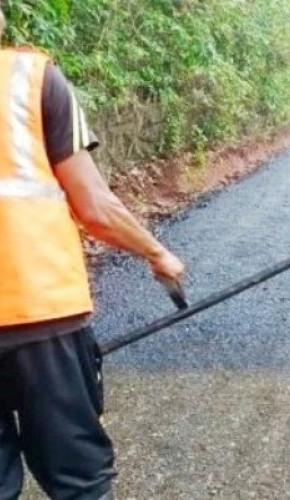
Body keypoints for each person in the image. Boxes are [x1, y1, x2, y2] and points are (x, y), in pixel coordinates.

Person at [0, 8, 185, 500]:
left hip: (42, 317)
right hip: (42, 315)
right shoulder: (31, 79)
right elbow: (95, 207)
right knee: (79, 480)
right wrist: (156, 253)